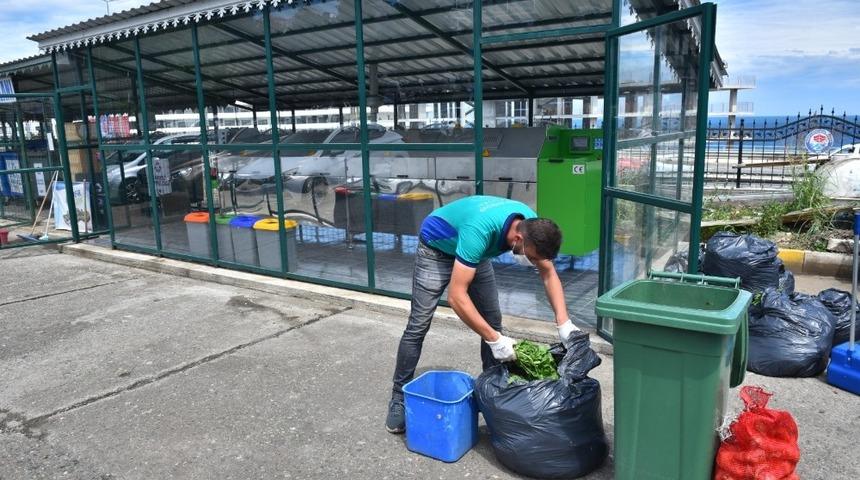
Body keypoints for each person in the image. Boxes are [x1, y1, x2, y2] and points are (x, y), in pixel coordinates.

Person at [386, 195, 578, 433]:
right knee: (419, 324)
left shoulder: (532, 227)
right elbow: (456, 297)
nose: (533, 263)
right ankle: (398, 397)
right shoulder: (478, 232)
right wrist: (495, 340)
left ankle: (493, 390)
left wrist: (564, 322)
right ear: (518, 239)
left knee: (492, 321)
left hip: (474, 253)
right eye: (531, 258)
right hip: (437, 248)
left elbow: (548, 273)